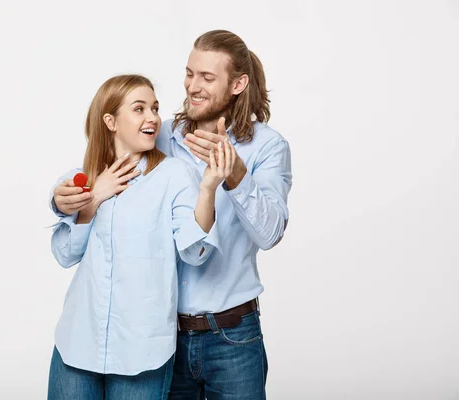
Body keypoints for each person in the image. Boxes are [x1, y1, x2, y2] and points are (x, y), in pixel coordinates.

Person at [51, 30, 292, 399]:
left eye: (207, 78)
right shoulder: (157, 135)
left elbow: (271, 233)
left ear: (238, 84)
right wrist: (63, 200)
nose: (193, 86)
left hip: (231, 335)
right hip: (163, 337)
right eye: (189, 73)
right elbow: (97, 167)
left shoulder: (267, 146)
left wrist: (234, 175)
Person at [47, 74, 235, 400]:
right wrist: (93, 198)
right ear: (111, 121)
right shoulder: (84, 176)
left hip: (142, 353)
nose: (152, 118)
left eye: (154, 108)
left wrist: (207, 188)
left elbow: (195, 252)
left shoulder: (174, 176)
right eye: (139, 109)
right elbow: (66, 254)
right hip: (78, 344)